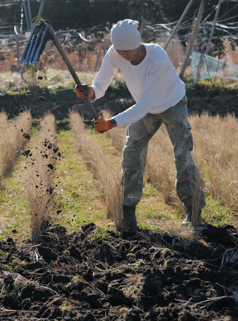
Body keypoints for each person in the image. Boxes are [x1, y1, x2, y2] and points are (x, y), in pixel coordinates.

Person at [75, 19, 205, 233]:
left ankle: (193, 212)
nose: (123, 54)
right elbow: (101, 83)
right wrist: (90, 92)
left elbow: (145, 104)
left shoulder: (156, 57)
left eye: (127, 50)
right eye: (119, 50)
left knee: (183, 155)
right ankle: (127, 217)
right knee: (132, 153)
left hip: (172, 104)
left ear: (138, 43)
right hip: (145, 108)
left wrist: (111, 123)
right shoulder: (115, 52)